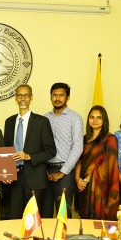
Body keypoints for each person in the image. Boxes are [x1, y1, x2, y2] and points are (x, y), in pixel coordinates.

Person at [4, 84, 56, 219]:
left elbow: (51, 151)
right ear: (15, 98)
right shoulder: (9, 122)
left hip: (35, 180)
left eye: (26, 95)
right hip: (14, 180)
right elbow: (6, 150)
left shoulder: (41, 122)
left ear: (31, 98)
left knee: (33, 220)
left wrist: (29, 156)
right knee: (15, 218)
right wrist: (6, 173)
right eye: (19, 95)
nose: (22, 98)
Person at [43, 83, 83, 217]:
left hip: (65, 172)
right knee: (44, 213)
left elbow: (78, 147)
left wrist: (62, 172)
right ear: (50, 97)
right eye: (54, 95)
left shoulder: (75, 118)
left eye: (61, 95)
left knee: (63, 214)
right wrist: (45, 170)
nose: (57, 98)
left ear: (67, 97)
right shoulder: (45, 118)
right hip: (45, 172)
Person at [75, 105, 120, 220]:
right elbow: (79, 160)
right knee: (84, 219)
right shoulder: (84, 139)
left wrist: (89, 179)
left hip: (101, 188)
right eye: (92, 117)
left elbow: (109, 165)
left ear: (104, 120)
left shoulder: (110, 139)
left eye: (99, 117)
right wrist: (77, 179)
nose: (95, 120)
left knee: (98, 221)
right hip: (83, 186)